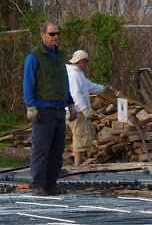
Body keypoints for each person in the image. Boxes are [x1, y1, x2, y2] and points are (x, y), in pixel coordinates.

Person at [23, 22, 77, 196]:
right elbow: (28, 81)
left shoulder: (60, 55)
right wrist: (30, 105)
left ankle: (51, 184)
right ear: (42, 35)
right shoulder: (34, 56)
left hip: (59, 109)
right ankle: (38, 184)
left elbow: (63, 81)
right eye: (52, 34)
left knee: (57, 150)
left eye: (57, 33)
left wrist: (70, 102)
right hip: (43, 109)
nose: (56, 37)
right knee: (41, 149)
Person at [66, 50, 113, 166]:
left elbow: (89, 86)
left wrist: (103, 89)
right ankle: (77, 165)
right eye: (86, 61)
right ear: (80, 61)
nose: (87, 64)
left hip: (79, 110)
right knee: (81, 137)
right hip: (76, 111)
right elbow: (75, 95)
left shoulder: (78, 74)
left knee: (89, 133)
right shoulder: (74, 75)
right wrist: (84, 109)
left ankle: (73, 157)